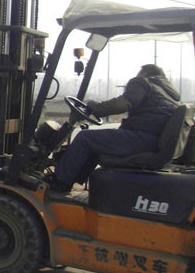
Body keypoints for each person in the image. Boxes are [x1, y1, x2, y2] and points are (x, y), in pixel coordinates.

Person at [53, 64, 181, 190]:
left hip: (142, 138)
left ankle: (59, 181)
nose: (136, 75)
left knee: (85, 138)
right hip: (153, 140)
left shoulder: (143, 83)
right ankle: (71, 181)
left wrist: (96, 108)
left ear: (144, 73)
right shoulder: (170, 94)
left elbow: (122, 104)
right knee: (96, 144)